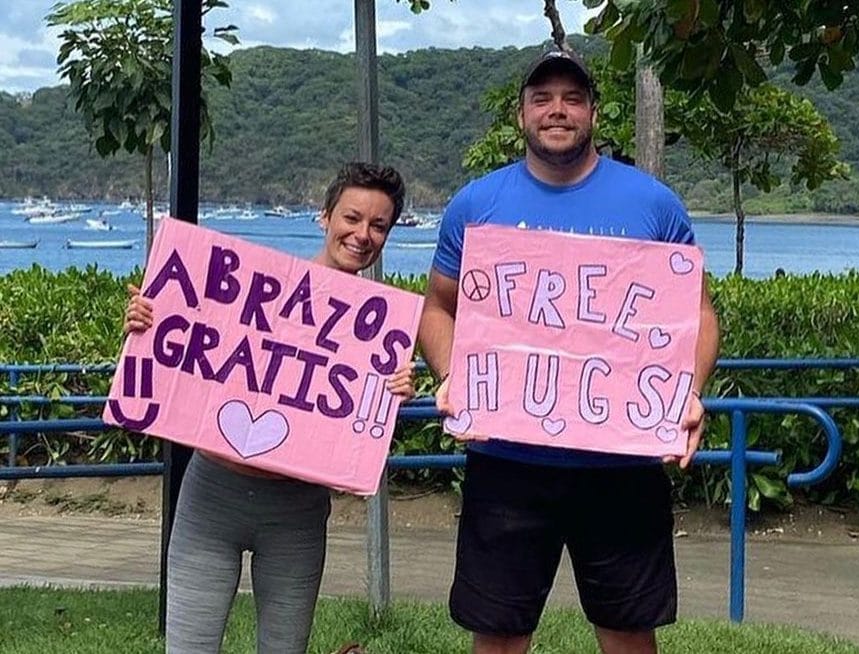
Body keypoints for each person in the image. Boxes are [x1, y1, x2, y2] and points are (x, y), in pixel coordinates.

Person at [417, 48, 720, 654]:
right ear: (521, 115)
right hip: (507, 460)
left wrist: (686, 391)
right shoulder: (476, 204)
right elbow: (437, 308)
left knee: (629, 633)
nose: (558, 110)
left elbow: (699, 311)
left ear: (594, 114)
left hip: (621, 463)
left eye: (573, 98)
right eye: (542, 98)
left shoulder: (653, 204)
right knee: (499, 635)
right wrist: (454, 374)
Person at [124, 162, 415, 654]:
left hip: (296, 512)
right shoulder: (258, 291)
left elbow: (356, 430)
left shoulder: (383, 331)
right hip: (210, 497)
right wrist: (147, 320)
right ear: (325, 217)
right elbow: (187, 338)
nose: (362, 234)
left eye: (378, 225)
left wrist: (394, 389)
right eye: (352, 217)